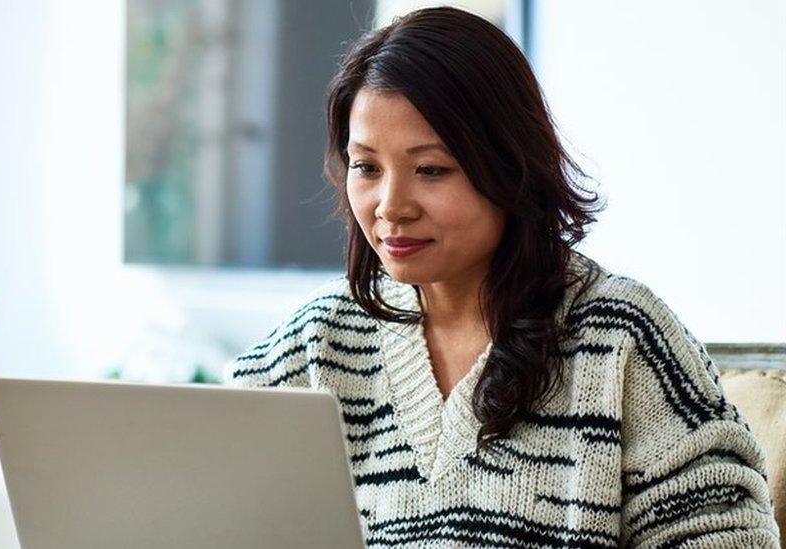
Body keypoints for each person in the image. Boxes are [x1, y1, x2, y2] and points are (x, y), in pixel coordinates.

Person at [222, 6, 781, 548]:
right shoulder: (319, 340)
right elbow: (199, 503)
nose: (391, 207)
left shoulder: (623, 339)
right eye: (366, 166)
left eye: (432, 170)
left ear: (510, 165)